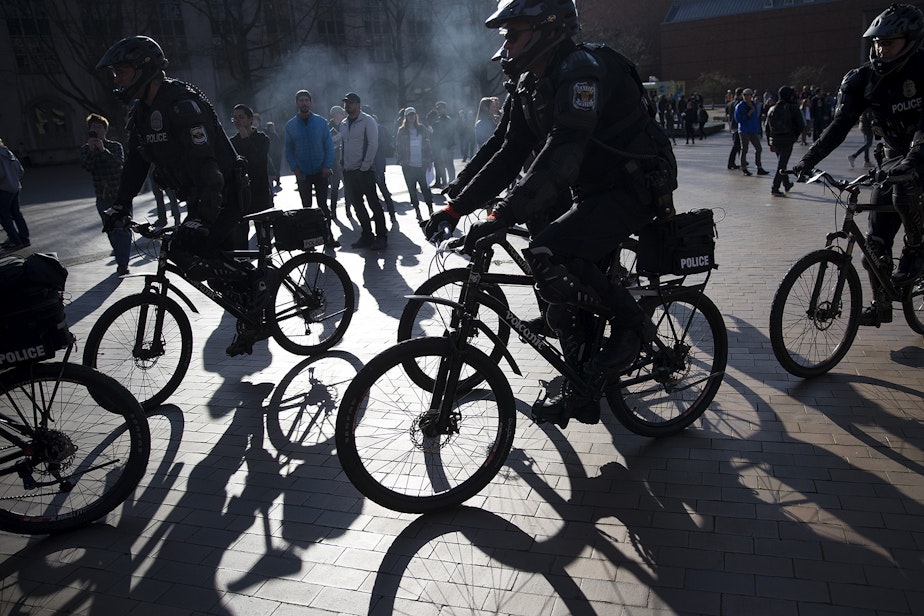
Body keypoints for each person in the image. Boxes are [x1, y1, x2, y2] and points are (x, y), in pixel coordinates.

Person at [422, 0, 677, 429]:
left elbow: (563, 152)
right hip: (591, 190)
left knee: (551, 251)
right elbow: (508, 153)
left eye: (513, 33)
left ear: (546, 30)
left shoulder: (580, 71)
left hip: (634, 185)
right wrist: (455, 206)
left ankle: (632, 330)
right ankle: (586, 387)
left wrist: (503, 214)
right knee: (557, 293)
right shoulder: (530, 83)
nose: (505, 45)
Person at [96, 35, 261, 356]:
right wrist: (120, 205)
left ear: (144, 70)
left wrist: (202, 218)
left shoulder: (183, 105)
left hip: (224, 193)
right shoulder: (141, 113)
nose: (117, 78)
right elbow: (135, 163)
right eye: (114, 73)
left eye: (122, 71)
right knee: (199, 262)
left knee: (194, 251)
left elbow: (208, 168)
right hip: (199, 197)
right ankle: (247, 306)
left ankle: (255, 286)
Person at [794, 3, 924, 327]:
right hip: (895, 152)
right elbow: (840, 125)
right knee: (874, 245)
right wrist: (807, 160)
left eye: (889, 43)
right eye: (877, 42)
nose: (880, 49)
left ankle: (917, 250)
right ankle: (881, 306)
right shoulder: (864, 79)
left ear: (910, 41)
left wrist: (910, 162)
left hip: (922, 152)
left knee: (903, 191)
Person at [284, 89, 338, 248]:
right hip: (303, 174)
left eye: (306, 100)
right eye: (301, 100)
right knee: (306, 209)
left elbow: (329, 146)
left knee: (323, 206)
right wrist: (295, 169)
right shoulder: (290, 125)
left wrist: (327, 165)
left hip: (321, 171)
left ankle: (328, 237)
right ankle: (309, 241)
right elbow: (288, 150)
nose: (304, 103)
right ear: (297, 103)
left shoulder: (321, 122)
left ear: (311, 102)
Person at [79, 113, 130, 274]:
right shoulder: (86, 149)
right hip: (102, 196)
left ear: (105, 130)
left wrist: (103, 150)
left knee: (122, 228)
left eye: (99, 127)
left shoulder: (115, 146)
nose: (96, 130)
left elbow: (118, 164)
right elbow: (87, 167)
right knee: (110, 230)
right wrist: (94, 151)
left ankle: (123, 263)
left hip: (119, 195)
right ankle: (120, 255)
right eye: (93, 128)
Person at [340, 92, 387, 250]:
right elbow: (343, 145)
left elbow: (373, 144)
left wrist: (364, 167)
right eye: (346, 103)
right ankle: (367, 235)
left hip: (364, 171)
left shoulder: (368, 121)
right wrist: (343, 165)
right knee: (358, 206)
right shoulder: (344, 123)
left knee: (374, 204)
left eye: (351, 103)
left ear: (358, 105)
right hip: (349, 171)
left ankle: (381, 237)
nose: (348, 105)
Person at [230, 103, 273, 248]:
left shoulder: (262, 139)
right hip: (240, 196)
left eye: (241, 117)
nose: (237, 121)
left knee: (264, 237)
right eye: (234, 118)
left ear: (250, 119)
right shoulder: (231, 143)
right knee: (240, 237)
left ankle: (266, 266)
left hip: (260, 193)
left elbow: (257, 161)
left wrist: (246, 139)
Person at [395, 107, 435, 222]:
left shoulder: (421, 128)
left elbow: (428, 144)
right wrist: (401, 160)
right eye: (409, 115)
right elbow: (398, 146)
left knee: (425, 189)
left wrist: (430, 160)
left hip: (422, 164)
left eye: (413, 115)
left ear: (415, 116)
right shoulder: (402, 130)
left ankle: (430, 209)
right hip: (408, 166)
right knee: (412, 190)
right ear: (406, 117)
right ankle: (417, 211)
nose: (411, 117)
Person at [764, 86, 805, 197]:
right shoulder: (793, 107)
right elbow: (801, 125)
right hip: (787, 139)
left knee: (782, 162)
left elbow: (767, 127)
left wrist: (770, 142)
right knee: (781, 164)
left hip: (776, 140)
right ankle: (775, 188)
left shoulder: (772, 108)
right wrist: (794, 136)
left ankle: (786, 184)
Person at [0, 137, 29, 251]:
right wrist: (13, 179)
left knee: (4, 215)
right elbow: (20, 170)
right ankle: (24, 238)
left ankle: (15, 240)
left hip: (3, 189)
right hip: (15, 187)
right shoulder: (8, 152)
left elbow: (1, 174)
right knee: (16, 214)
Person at [734, 88, 770, 176]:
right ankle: (744, 168)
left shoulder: (754, 105)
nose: (747, 97)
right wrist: (748, 113)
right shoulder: (740, 106)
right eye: (745, 95)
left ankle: (759, 167)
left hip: (753, 130)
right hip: (744, 130)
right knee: (744, 149)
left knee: (759, 148)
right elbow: (738, 119)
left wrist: (758, 130)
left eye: (749, 95)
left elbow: (755, 119)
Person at [428, 101, 456, 188]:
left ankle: (452, 183)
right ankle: (445, 183)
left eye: (440, 109)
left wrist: (449, 146)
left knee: (449, 165)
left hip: (447, 147)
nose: (439, 111)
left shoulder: (448, 120)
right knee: (441, 166)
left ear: (444, 109)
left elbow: (450, 134)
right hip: (440, 147)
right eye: (437, 109)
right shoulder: (438, 120)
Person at [327, 105, 349, 218]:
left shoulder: (345, 124)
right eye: (339, 113)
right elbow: (329, 141)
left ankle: (348, 209)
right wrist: (342, 136)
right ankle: (333, 210)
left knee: (348, 186)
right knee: (335, 186)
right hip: (334, 160)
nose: (341, 115)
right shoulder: (329, 126)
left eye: (342, 113)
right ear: (335, 114)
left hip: (346, 159)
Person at [726, 87, 743, 170]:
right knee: (736, 145)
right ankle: (731, 162)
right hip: (738, 126)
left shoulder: (731, 103)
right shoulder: (739, 103)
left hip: (733, 125)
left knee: (738, 145)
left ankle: (742, 160)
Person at [264, 121, 283, 191]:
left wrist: (279, 153)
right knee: (272, 169)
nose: (272, 129)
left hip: (277, 155)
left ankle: (277, 181)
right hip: (270, 155)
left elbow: (279, 145)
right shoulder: (266, 135)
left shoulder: (275, 135)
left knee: (277, 169)